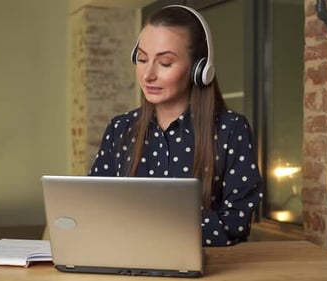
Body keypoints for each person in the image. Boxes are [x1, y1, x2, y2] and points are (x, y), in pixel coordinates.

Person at [89, 5, 263, 247]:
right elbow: (95, 213)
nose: (148, 74)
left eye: (165, 63)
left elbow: (234, 228)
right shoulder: (120, 129)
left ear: (199, 69)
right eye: (141, 59)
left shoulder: (231, 130)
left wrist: (148, 218)